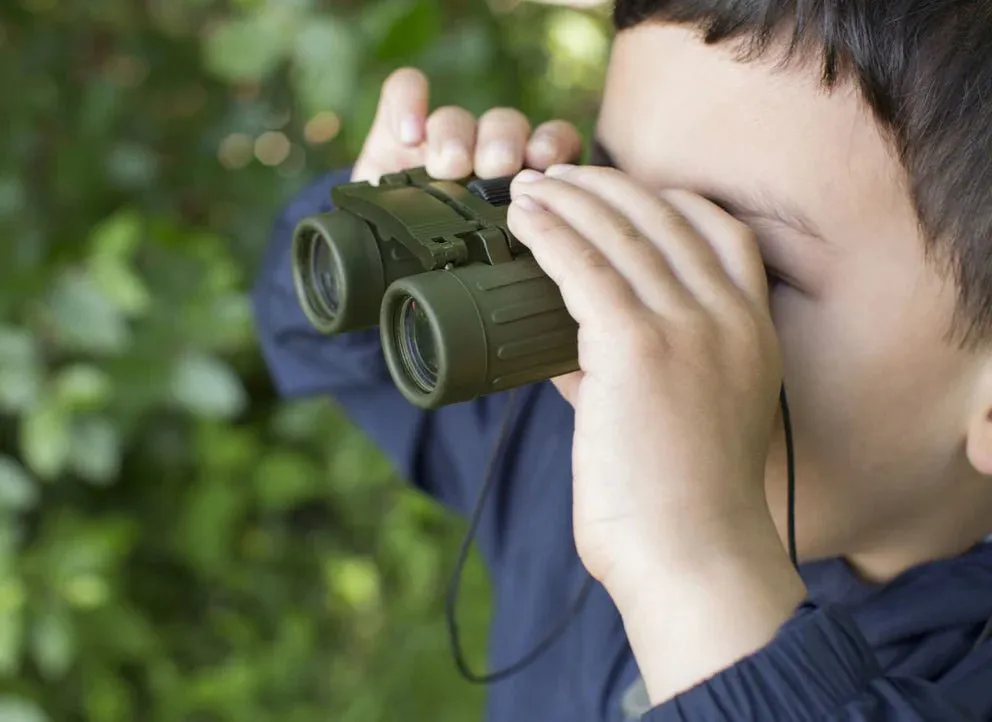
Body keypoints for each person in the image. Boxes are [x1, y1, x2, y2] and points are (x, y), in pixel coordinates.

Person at [252, 1, 992, 719]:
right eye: (606, 185)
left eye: (743, 264)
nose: (599, 296)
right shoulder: (568, 436)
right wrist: (399, 228)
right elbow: (318, 334)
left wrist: (695, 562)